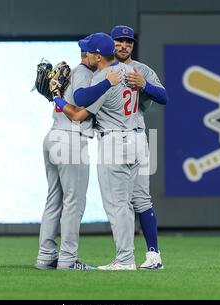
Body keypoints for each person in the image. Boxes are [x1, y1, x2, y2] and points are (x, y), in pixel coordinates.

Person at [52, 32, 141, 270]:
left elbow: (80, 111)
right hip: (135, 138)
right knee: (126, 205)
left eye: (89, 52)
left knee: (116, 205)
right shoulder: (128, 70)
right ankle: (127, 258)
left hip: (115, 143)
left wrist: (57, 98)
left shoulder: (105, 77)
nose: (86, 55)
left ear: (99, 56)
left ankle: (125, 260)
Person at [35, 41, 122, 270]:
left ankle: (45, 256)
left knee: (54, 200)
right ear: (94, 56)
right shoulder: (85, 75)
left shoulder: (73, 72)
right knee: (74, 203)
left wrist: (56, 96)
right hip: (71, 140)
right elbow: (80, 109)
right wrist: (106, 83)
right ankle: (67, 259)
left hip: (53, 137)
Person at [111, 25, 169, 270]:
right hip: (112, 138)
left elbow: (164, 97)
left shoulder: (142, 70)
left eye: (128, 42)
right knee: (118, 201)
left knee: (141, 199)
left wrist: (144, 84)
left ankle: (153, 256)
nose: (124, 45)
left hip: (136, 137)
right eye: (119, 41)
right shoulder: (103, 69)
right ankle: (123, 258)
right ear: (111, 43)